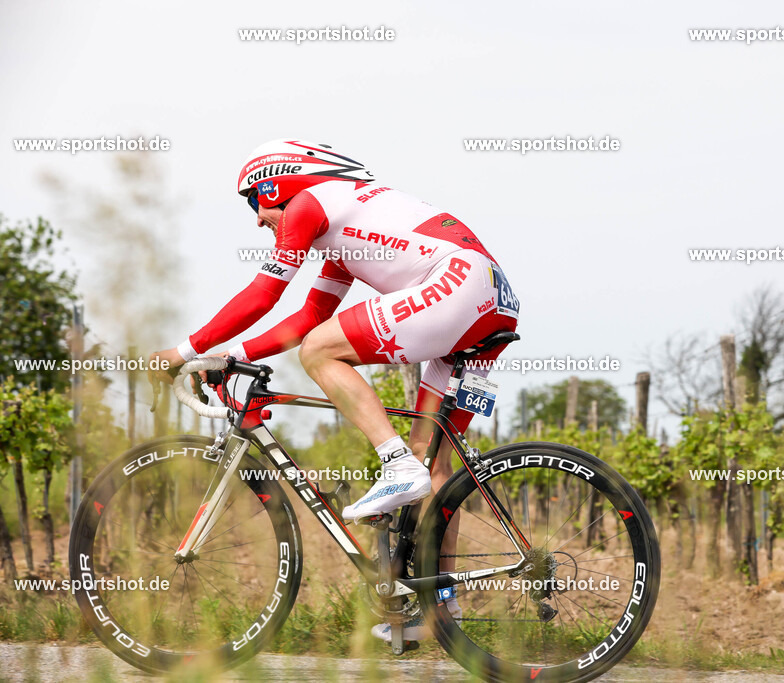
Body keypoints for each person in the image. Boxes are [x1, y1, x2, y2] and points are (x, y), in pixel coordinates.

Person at [150, 138, 519, 641]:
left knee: (321, 353)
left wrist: (185, 349)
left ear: (276, 184)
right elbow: (308, 316)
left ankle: (394, 463)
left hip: (456, 284)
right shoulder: (343, 230)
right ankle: (434, 614)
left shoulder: (308, 205)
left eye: (254, 201)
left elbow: (265, 295)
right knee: (434, 466)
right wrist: (235, 357)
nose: (257, 220)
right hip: (490, 297)